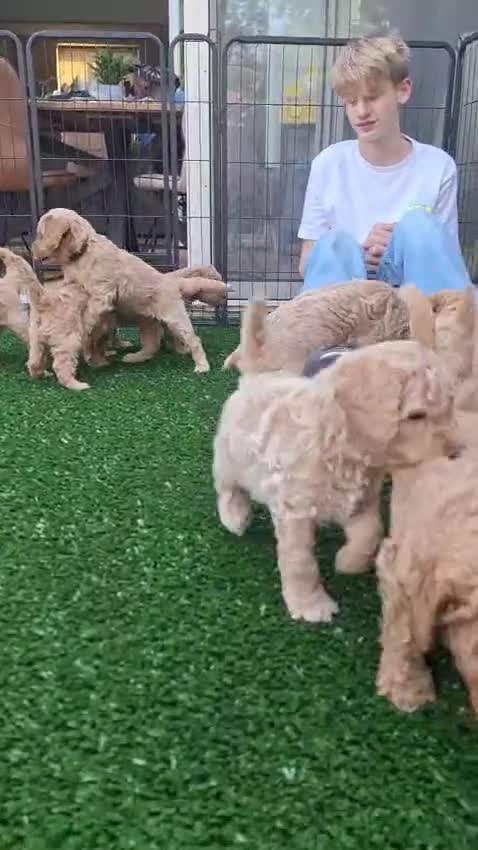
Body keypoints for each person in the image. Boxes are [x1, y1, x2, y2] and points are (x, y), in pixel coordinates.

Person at [298, 34, 470, 296]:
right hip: (350, 295)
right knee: (335, 245)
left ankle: (447, 332)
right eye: (351, 101)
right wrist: (360, 254)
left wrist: (403, 246)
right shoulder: (328, 164)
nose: (361, 111)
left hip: (412, 294)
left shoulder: (438, 167)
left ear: (403, 90)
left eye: (372, 97)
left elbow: (446, 262)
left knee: (419, 227)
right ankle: (328, 335)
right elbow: (307, 263)